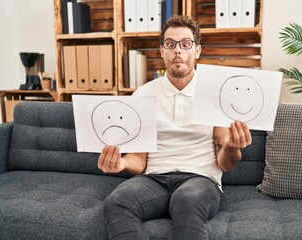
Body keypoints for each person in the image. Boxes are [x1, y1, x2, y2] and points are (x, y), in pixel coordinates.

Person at [98, 15, 252, 240]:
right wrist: (121, 162)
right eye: (170, 44)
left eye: (185, 44)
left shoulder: (216, 94)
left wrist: (230, 146)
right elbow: (139, 161)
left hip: (200, 179)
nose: (177, 51)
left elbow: (226, 165)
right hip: (154, 180)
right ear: (162, 51)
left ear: (197, 50)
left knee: (187, 201)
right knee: (117, 202)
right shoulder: (143, 94)